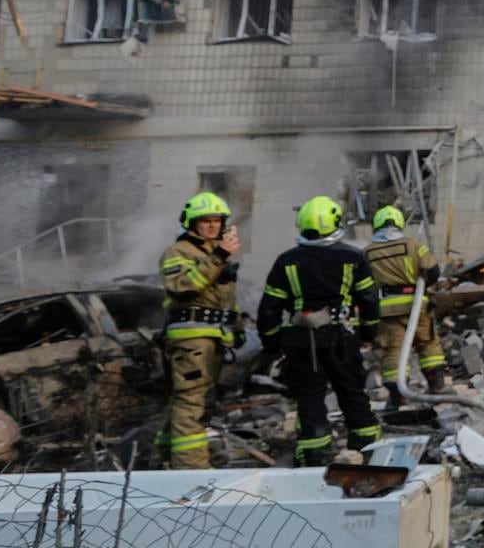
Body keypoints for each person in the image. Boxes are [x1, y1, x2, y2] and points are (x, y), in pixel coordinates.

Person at [257, 197, 385, 466]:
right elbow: (370, 301)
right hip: (342, 338)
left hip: (302, 342)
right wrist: (368, 334)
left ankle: (315, 455)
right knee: (352, 391)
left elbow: (269, 307)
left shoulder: (286, 261)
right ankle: (368, 450)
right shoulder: (352, 257)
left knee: (309, 396)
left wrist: (272, 342)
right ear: (336, 222)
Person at [157, 192, 243, 469]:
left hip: (211, 337)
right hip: (190, 338)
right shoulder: (179, 251)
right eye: (205, 221)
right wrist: (219, 257)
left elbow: (224, 298)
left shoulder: (212, 254)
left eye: (217, 221)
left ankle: (161, 455)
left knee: (193, 400)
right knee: (191, 403)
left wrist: (237, 326)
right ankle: (190, 469)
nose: (212, 227)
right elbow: (183, 286)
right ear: (191, 223)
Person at [363, 204, 446, 406]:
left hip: (386, 310)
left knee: (393, 352)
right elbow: (433, 272)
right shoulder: (413, 245)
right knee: (428, 345)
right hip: (416, 306)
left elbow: (363, 285)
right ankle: (437, 389)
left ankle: (398, 399)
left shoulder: (366, 253)